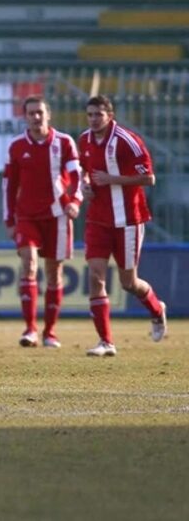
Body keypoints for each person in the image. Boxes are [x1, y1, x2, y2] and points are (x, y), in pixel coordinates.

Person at [79, 95, 167, 357]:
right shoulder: (84, 139)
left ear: (110, 115)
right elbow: (85, 170)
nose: (94, 119)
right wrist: (85, 187)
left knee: (129, 282)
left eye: (99, 114)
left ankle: (156, 309)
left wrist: (111, 179)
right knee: (95, 276)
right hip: (97, 219)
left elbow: (149, 178)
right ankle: (106, 342)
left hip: (128, 220)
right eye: (90, 114)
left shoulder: (127, 141)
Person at [3, 96, 82, 348]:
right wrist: (9, 219)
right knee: (28, 262)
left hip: (57, 215)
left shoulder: (64, 142)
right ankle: (30, 330)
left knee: (53, 272)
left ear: (48, 115)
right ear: (24, 117)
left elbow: (77, 175)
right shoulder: (16, 146)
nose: (36, 117)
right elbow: (9, 185)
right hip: (26, 216)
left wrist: (75, 202)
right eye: (31, 113)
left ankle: (50, 332)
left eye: (40, 112)